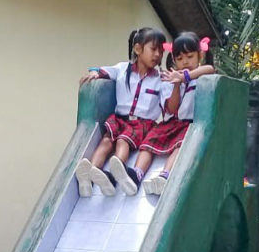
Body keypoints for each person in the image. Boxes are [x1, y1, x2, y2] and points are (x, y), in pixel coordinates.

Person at [76, 27, 166, 197]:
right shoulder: (122, 69)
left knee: (123, 141)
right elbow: (102, 70)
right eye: (153, 49)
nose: (157, 55)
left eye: (161, 51)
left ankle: (118, 171)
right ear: (138, 49)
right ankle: (91, 173)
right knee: (106, 140)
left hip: (142, 123)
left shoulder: (160, 79)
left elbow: (169, 101)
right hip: (119, 119)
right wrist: (94, 73)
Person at [138, 33, 216, 195]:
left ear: (200, 55)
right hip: (173, 122)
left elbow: (210, 68)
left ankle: (165, 175)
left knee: (181, 145)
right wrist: (176, 84)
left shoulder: (202, 75)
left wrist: (184, 76)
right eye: (180, 59)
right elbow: (173, 109)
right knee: (149, 142)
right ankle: (137, 173)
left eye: (190, 56)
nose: (185, 62)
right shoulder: (170, 80)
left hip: (190, 124)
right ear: (174, 60)